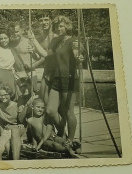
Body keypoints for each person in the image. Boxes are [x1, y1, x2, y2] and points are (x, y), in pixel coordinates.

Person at [46, 16, 84, 150]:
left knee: (68, 112)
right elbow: (46, 54)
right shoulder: (56, 41)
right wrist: (33, 42)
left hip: (69, 79)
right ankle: (62, 131)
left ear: (67, 27)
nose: (58, 28)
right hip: (57, 78)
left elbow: (76, 52)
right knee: (51, 110)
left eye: (61, 26)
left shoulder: (74, 41)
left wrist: (78, 56)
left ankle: (70, 139)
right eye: (57, 26)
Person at [0, 85, 23, 160]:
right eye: (1, 95)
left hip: (17, 129)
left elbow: (22, 121)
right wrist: (2, 136)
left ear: (10, 94)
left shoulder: (16, 105)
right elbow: (1, 122)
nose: (3, 97)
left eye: (5, 95)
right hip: (6, 130)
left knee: (10, 149)